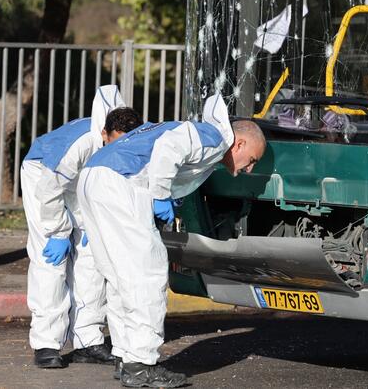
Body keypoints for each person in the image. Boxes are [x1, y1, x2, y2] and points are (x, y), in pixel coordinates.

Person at [77, 93, 266, 387]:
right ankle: (141, 365)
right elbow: (169, 148)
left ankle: (126, 358)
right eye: (251, 160)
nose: (248, 169)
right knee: (147, 276)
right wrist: (160, 193)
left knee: (120, 278)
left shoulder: (197, 133)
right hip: (120, 183)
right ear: (238, 144)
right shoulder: (214, 137)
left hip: (94, 176)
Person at [21, 85, 143, 369]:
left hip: (81, 181)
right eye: (113, 143)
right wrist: (57, 232)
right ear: (103, 133)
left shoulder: (130, 140)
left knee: (92, 258)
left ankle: (87, 339)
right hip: (44, 175)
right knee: (51, 260)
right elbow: (50, 190)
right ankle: (46, 343)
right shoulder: (81, 144)